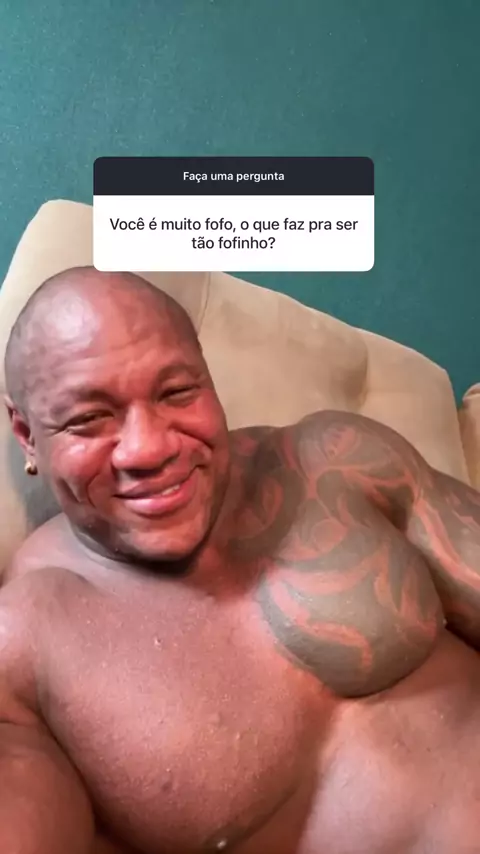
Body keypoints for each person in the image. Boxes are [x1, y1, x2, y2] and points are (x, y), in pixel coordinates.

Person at [1, 266, 479, 854]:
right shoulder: (25, 640)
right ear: (26, 433)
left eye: (177, 392)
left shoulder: (336, 461)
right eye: (89, 419)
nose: (149, 448)